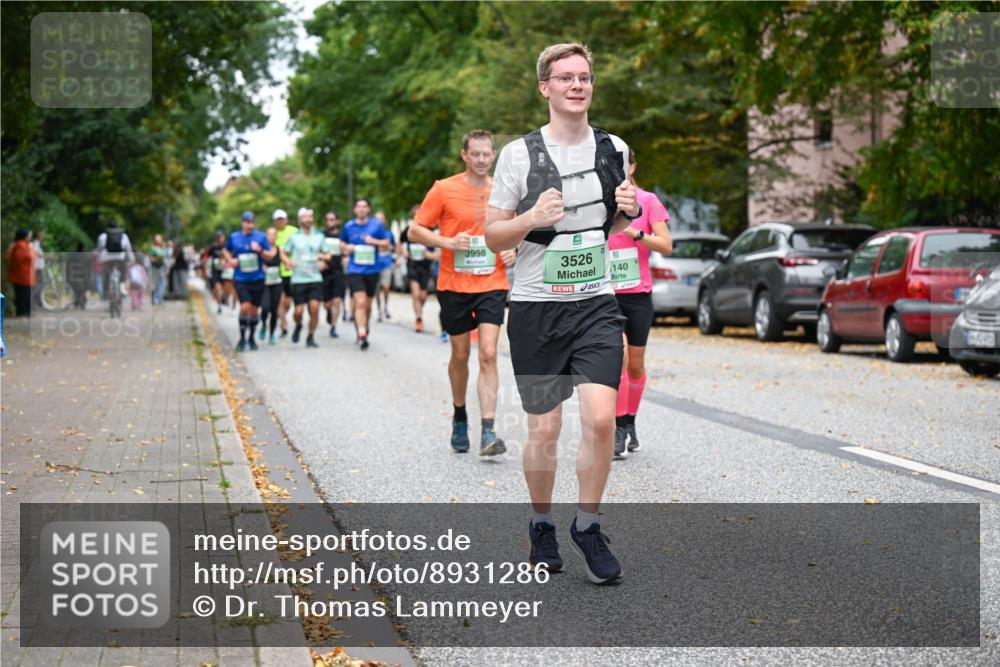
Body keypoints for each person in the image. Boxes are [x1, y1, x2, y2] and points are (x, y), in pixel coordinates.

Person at [484, 43, 640, 584]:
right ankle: (542, 523)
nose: (578, 85)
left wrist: (628, 211)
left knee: (600, 419)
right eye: (566, 77)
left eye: (585, 77)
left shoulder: (613, 147)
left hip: (595, 303)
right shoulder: (518, 155)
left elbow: (609, 228)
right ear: (545, 87)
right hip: (535, 308)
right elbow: (492, 235)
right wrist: (529, 217)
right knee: (545, 429)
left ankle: (588, 526)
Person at [409, 129, 514, 456]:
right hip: (453, 284)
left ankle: (488, 430)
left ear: (493, 154)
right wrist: (448, 243)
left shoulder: (505, 189)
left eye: (487, 154)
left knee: (487, 353)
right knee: (460, 355)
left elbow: (519, 228)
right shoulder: (444, 189)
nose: (482, 160)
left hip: (492, 283)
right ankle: (458, 415)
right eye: (476, 154)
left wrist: (514, 249)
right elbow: (415, 230)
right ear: (464, 155)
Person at [610, 149, 672, 458]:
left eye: (624, 164)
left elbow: (666, 245)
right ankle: (618, 428)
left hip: (637, 295)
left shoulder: (648, 201)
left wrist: (635, 233)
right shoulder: (601, 202)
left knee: (635, 365)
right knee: (618, 359)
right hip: (606, 295)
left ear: (633, 166)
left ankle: (630, 421)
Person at [339, 198, 391, 350]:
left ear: (368, 209)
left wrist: (372, 241)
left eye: (364, 207)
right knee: (360, 302)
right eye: (358, 207)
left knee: (368, 305)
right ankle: (361, 332)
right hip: (355, 269)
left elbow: (386, 243)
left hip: (372, 270)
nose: (361, 209)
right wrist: (347, 247)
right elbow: (341, 243)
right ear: (355, 210)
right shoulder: (349, 226)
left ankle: (364, 328)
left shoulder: (376, 225)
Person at [223, 211, 273, 351]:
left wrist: (260, 250)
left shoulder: (261, 237)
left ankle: (251, 337)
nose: (249, 225)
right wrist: (230, 259)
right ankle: (242, 338)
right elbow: (226, 251)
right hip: (241, 278)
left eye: (252, 222)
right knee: (245, 306)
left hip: (257, 279)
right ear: (242, 223)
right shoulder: (234, 237)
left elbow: (269, 256)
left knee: (254, 310)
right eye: (247, 222)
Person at [280, 207, 325, 348]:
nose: (308, 220)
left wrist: (324, 259)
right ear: (300, 219)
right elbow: (283, 252)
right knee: (298, 311)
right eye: (305, 217)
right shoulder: (294, 237)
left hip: (315, 278)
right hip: (299, 279)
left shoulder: (319, 236)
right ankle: (298, 324)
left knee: (315, 307)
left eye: (310, 217)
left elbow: (328, 253)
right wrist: (287, 262)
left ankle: (310, 336)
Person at [399, 206, 440, 332]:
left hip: (425, 266)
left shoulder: (430, 230)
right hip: (412, 265)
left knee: (423, 296)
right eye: (416, 215)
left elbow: (438, 249)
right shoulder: (409, 230)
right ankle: (418, 318)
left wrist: (431, 255)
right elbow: (400, 243)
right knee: (416, 294)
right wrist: (403, 251)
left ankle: (419, 310)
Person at [320, 211, 347, 337]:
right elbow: (315, 250)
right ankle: (329, 312)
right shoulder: (321, 236)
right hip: (325, 272)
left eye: (332, 219)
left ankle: (333, 326)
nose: (330, 222)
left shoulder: (343, 235)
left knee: (337, 300)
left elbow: (347, 250)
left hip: (338, 271)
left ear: (337, 221)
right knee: (326, 303)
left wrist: (346, 257)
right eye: (328, 219)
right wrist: (320, 260)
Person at [272, 209, 298, 337]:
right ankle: (283, 324)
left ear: (286, 220)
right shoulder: (273, 234)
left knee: (288, 302)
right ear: (274, 222)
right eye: (278, 220)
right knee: (280, 301)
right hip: (277, 273)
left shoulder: (294, 231)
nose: (280, 222)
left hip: (293, 273)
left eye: (282, 219)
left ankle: (283, 316)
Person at [96, 221, 135, 300]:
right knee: (123, 271)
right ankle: (121, 286)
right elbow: (128, 249)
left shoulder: (102, 236)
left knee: (106, 275)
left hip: (107, 259)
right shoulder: (123, 236)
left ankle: (106, 293)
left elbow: (99, 249)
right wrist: (131, 259)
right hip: (120, 258)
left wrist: (98, 259)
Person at [258, 227, 283, 345]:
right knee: (265, 308)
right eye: (269, 234)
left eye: (274, 234)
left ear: (276, 237)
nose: (271, 237)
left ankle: (272, 334)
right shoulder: (261, 250)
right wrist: (261, 267)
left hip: (277, 283)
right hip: (265, 283)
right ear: (265, 236)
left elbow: (285, 260)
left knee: (274, 310)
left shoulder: (279, 249)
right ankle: (263, 325)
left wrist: (291, 264)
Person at [5, 229, 35, 317]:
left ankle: (23, 312)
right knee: (23, 295)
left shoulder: (18, 245)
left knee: (21, 294)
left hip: (21, 275)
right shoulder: (20, 245)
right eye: (29, 235)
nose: (30, 237)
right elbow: (26, 257)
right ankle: (23, 312)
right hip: (22, 275)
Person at [374, 210, 395, 322]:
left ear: (384, 221)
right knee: (377, 289)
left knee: (386, 287)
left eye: (381, 219)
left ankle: (386, 306)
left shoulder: (389, 233)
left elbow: (393, 247)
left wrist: (396, 261)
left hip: (386, 262)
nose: (379, 221)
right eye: (377, 219)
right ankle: (379, 311)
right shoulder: (372, 232)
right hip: (375, 264)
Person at [204, 231, 227, 313]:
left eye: (222, 237)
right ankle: (219, 304)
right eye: (220, 237)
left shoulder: (226, 247)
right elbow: (206, 258)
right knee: (218, 288)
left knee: (225, 290)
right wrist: (206, 269)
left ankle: (223, 299)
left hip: (225, 271)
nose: (221, 239)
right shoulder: (213, 247)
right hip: (215, 271)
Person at [66, 241, 91, 310]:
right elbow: (89, 268)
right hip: (83, 278)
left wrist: (67, 277)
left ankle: (77, 302)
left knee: (78, 290)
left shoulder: (72, 256)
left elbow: (68, 267)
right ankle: (80, 302)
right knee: (82, 289)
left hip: (73, 277)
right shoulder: (86, 256)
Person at [148, 234, 167, 305]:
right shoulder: (153, 249)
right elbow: (150, 258)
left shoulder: (162, 248)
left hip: (161, 268)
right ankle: (156, 299)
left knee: (162, 284)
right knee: (157, 284)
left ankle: (160, 298)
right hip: (155, 268)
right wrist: (157, 258)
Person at [31, 230, 46, 306]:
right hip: (38, 267)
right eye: (42, 235)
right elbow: (36, 253)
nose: (43, 236)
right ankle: (35, 300)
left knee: (40, 284)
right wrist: (44, 256)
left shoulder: (37, 243)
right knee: (40, 284)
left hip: (38, 267)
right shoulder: (36, 243)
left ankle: (37, 301)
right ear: (38, 235)